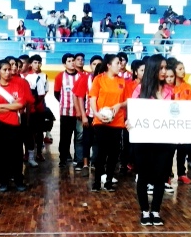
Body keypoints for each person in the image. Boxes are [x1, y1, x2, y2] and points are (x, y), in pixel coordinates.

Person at [131, 55, 174, 226]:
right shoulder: (139, 90)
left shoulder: (170, 91)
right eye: (161, 68)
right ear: (153, 69)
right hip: (143, 141)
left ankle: (155, 210)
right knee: (143, 176)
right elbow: (133, 114)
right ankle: (144, 211)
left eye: (166, 68)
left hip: (165, 140)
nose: (164, 71)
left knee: (160, 176)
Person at [0, 60, 28, 193]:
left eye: (9, 69)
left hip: (14, 125)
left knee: (16, 155)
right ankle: (3, 181)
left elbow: (20, 105)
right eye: (4, 69)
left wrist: (2, 106)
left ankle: (18, 180)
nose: (8, 72)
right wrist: (11, 107)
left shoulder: (17, 85)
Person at [89, 54, 128, 192]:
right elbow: (93, 98)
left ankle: (109, 181)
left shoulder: (122, 81)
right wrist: (97, 113)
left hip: (117, 122)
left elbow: (127, 101)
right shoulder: (99, 79)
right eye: (117, 63)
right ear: (109, 65)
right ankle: (97, 182)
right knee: (101, 153)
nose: (120, 65)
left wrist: (119, 105)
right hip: (101, 121)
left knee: (113, 153)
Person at [54, 53, 82, 168]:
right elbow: (56, 93)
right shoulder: (60, 76)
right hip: (66, 112)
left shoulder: (81, 76)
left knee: (79, 137)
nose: (72, 63)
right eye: (69, 61)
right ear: (64, 64)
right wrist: (64, 103)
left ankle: (77, 158)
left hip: (79, 113)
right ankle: (63, 159)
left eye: (73, 60)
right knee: (65, 137)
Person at [172, 61, 191, 185]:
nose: (183, 70)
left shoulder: (188, 86)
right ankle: (167, 175)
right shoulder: (168, 87)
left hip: (183, 124)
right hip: (170, 125)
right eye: (180, 68)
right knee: (169, 151)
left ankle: (181, 173)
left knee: (183, 150)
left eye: (184, 68)